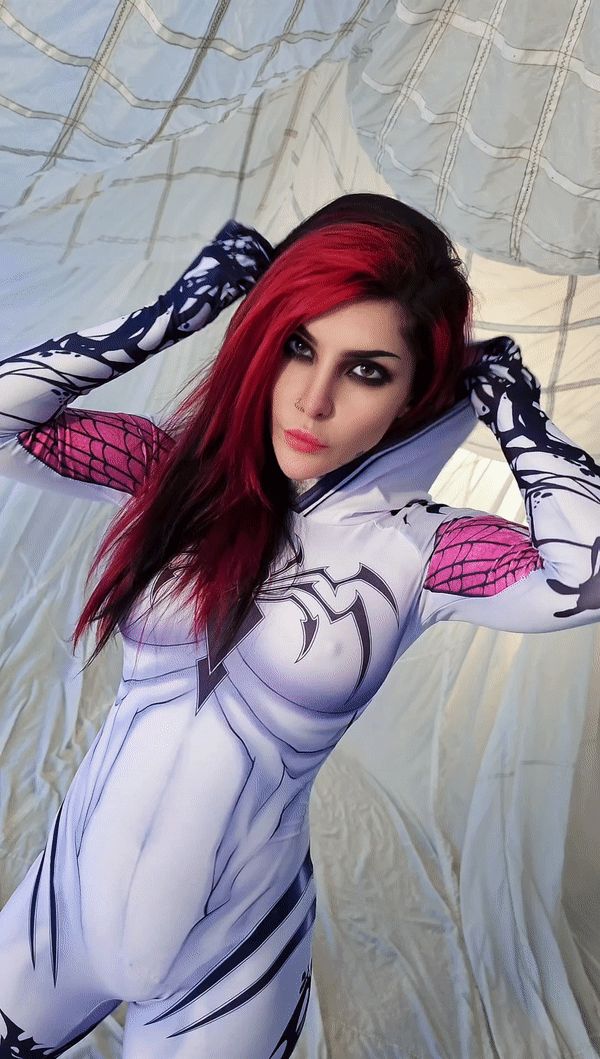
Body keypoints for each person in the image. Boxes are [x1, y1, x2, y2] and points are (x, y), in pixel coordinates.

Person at [0, 193, 599, 1058]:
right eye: (297, 345)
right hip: (61, 911)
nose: (313, 401)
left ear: (414, 392)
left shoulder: (424, 550)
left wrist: (513, 404)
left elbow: (585, 572)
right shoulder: (176, 474)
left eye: (367, 371)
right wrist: (177, 310)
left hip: (232, 957)